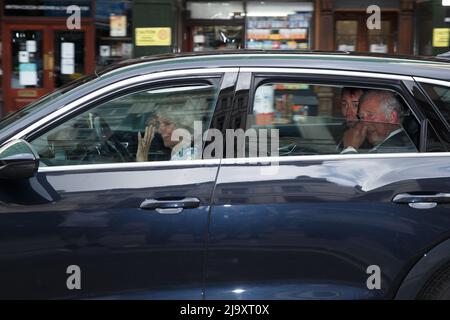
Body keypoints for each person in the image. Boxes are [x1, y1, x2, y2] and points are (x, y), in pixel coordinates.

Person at [341, 90, 416, 154]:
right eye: (362, 117)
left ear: (392, 117)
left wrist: (349, 148)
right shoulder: (404, 141)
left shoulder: (391, 150)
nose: (365, 123)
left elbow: (349, 171)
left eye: (370, 115)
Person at [136, 106, 200, 162]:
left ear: (185, 127)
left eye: (167, 124)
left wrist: (142, 159)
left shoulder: (185, 158)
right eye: (159, 124)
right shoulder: (186, 153)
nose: (160, 130)